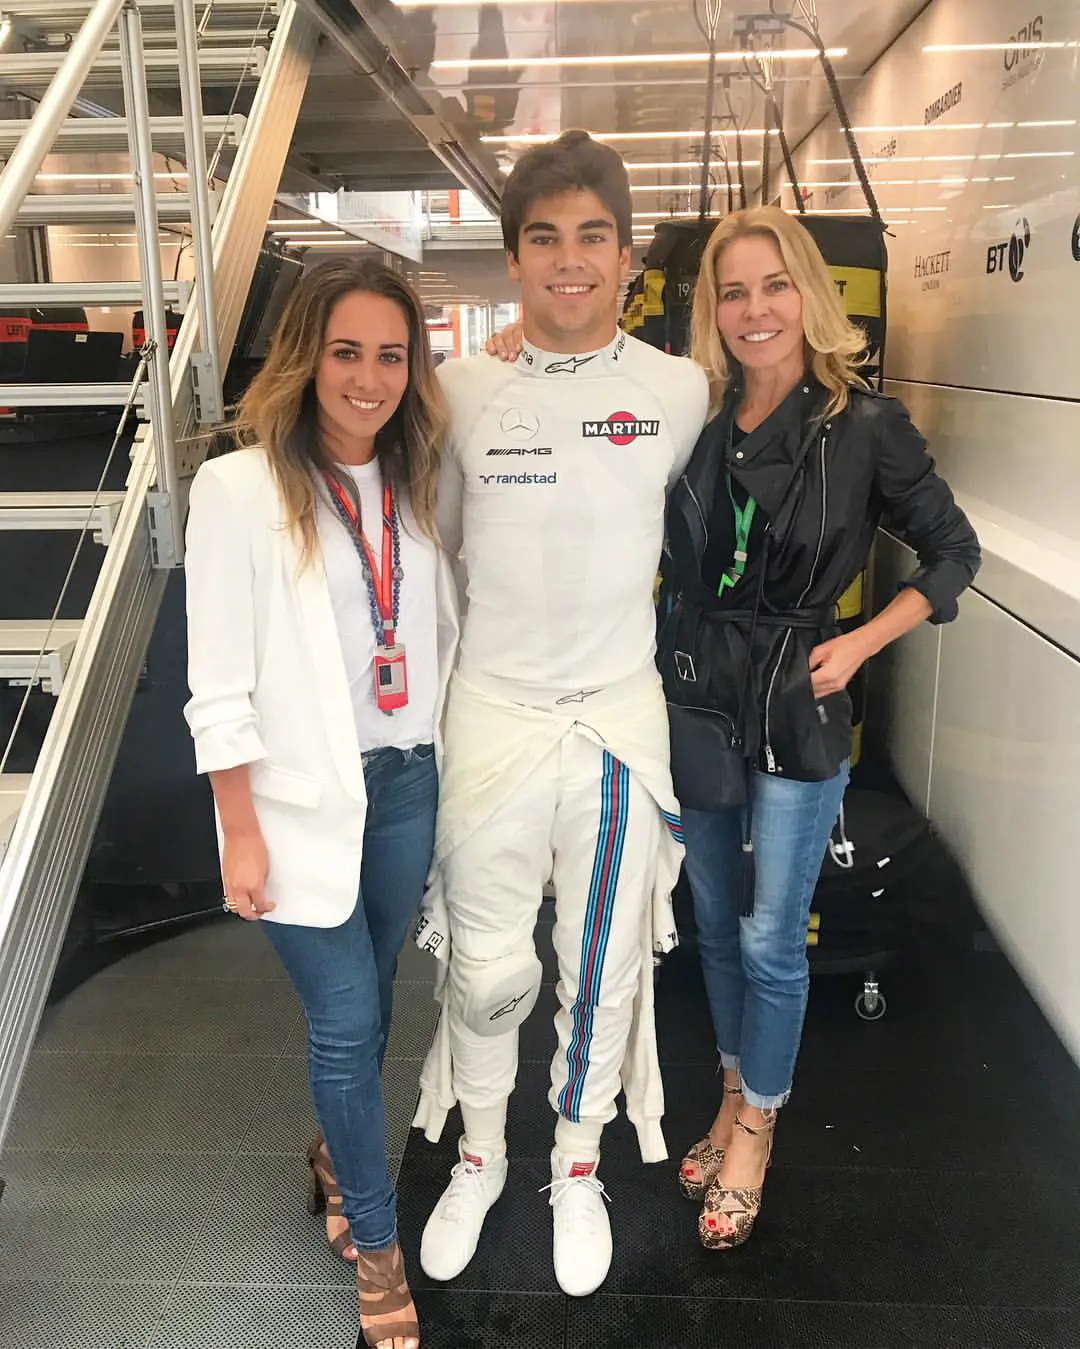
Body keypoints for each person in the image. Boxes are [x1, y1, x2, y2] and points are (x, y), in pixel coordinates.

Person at [409, 129, 709, 1297]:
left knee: (606, 960)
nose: (569, 260)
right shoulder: (459, 392)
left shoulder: (678, 391)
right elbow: (436, 548)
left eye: (593, 236)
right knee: (486, 971)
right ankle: (481, 1153)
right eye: (545, 237)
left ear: (627, 256)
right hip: (493, 714)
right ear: (514, 256)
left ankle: (573, 1163)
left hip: (619, 725)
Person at [658, 206, 980, 1249]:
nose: (755, 310)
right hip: (701, 684)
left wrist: (859, 642)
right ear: (713, 308)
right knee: (713, 922)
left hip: (801, 692)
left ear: (809, 292)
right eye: (733, 291)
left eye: (773, 285)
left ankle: (756, 1125)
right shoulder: (694, 413)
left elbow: (951, 554)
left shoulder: (865, 423)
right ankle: (725, 1091)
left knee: (768, 933)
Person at [183, 259, 458, 1349]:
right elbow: (216, 682)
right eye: (347, 351)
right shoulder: (240, 490)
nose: (369, 376)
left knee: (379, 1003)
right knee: (347, 1026)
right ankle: (379, 1247)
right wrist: (238, 830)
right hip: (298, 805)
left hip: (405, 787)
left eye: (391, 355)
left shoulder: (418, 481)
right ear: (306, 357)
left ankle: (333, 1153)